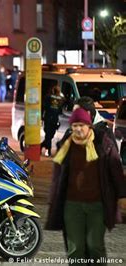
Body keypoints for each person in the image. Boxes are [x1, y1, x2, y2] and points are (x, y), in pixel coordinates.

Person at [45, 107, 126, 263]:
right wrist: (52, 199)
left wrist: (122, 195)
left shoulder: (103, 144)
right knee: (75, 249)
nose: (78, 129)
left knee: (95, 246)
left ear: (89, 125)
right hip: (72, 205)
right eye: (74, 126)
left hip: (97, 205)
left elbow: (115, 171)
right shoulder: (66, 147)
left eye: (81, 125)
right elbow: (57, 177)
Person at [41, 85, 64, 157]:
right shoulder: (61, 99)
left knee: (49, 135)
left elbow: (44, 107)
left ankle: (42, 146)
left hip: (48, 118)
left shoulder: (48, 97)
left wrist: (42, 116)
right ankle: (48, 151)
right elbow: (61, 109)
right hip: (54, 119)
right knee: (50, 135)